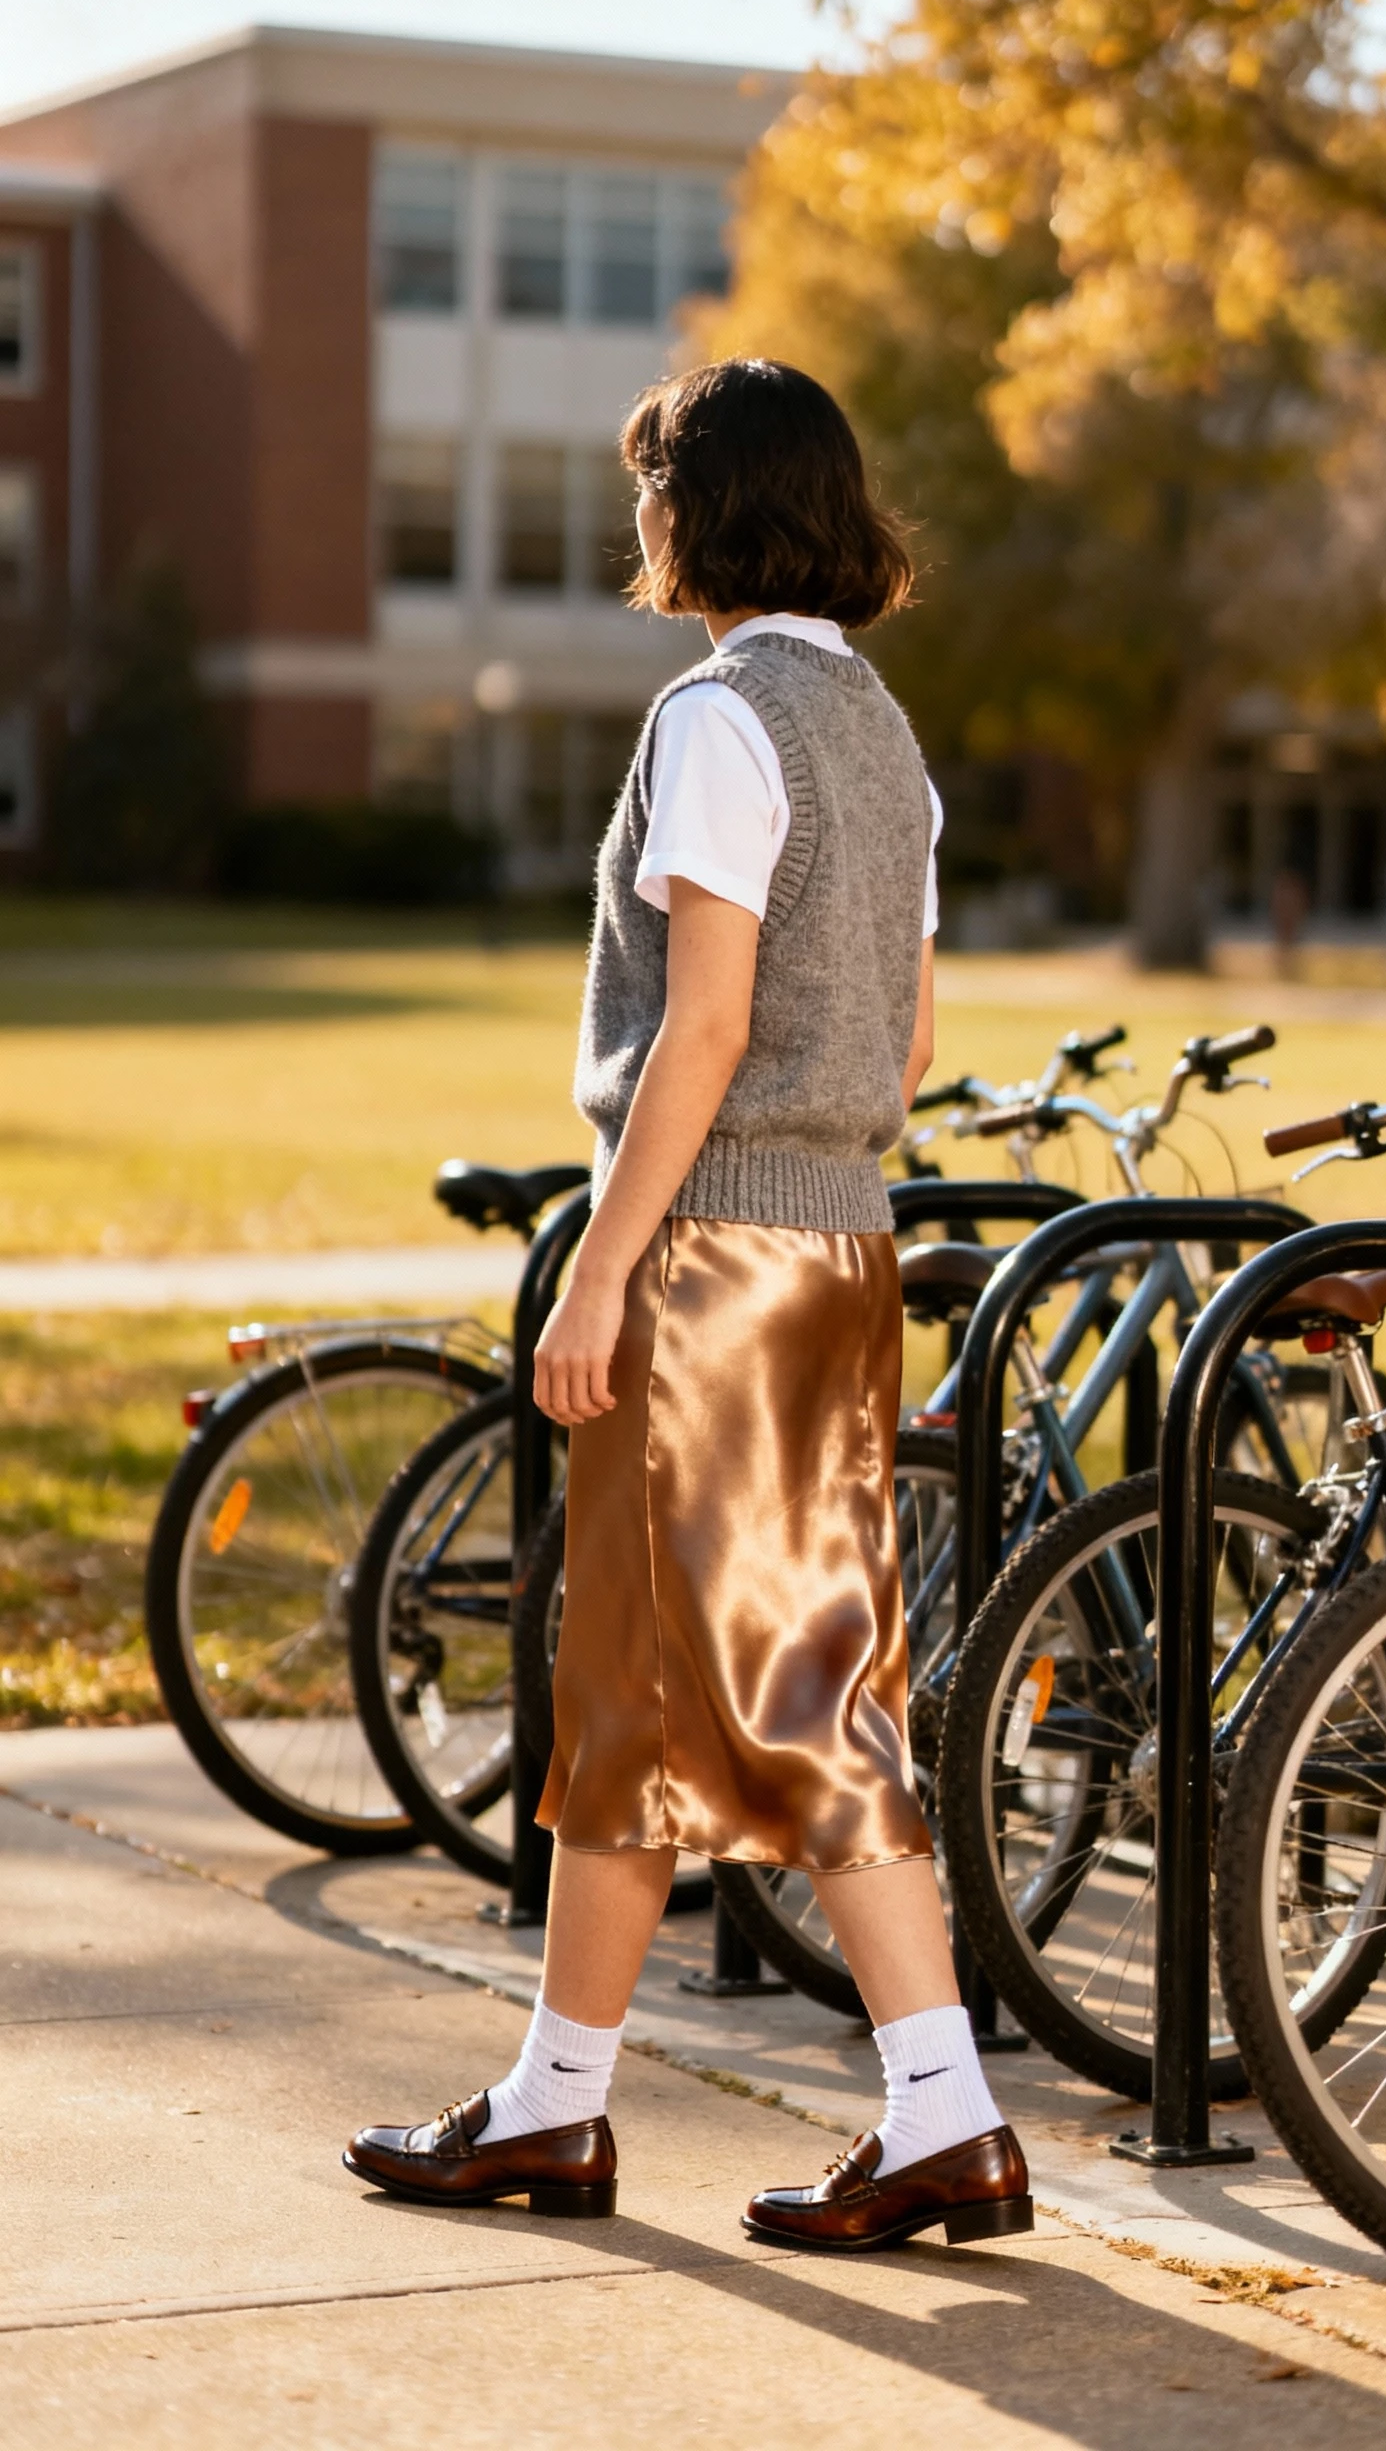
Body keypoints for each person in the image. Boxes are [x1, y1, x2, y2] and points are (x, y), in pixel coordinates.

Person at [345, 358, 1030, 2254]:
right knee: (647, 1683)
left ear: (706, 506)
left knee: (795, 1691)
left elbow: (707, 1026)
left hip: (720, 1257)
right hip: (843, 1241)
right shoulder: (884, 733)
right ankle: (562, 2107)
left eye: (651, 485)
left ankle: (940, 2116)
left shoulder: (722, 718)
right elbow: (896, 1032)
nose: (637, 519)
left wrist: (601, 1259)